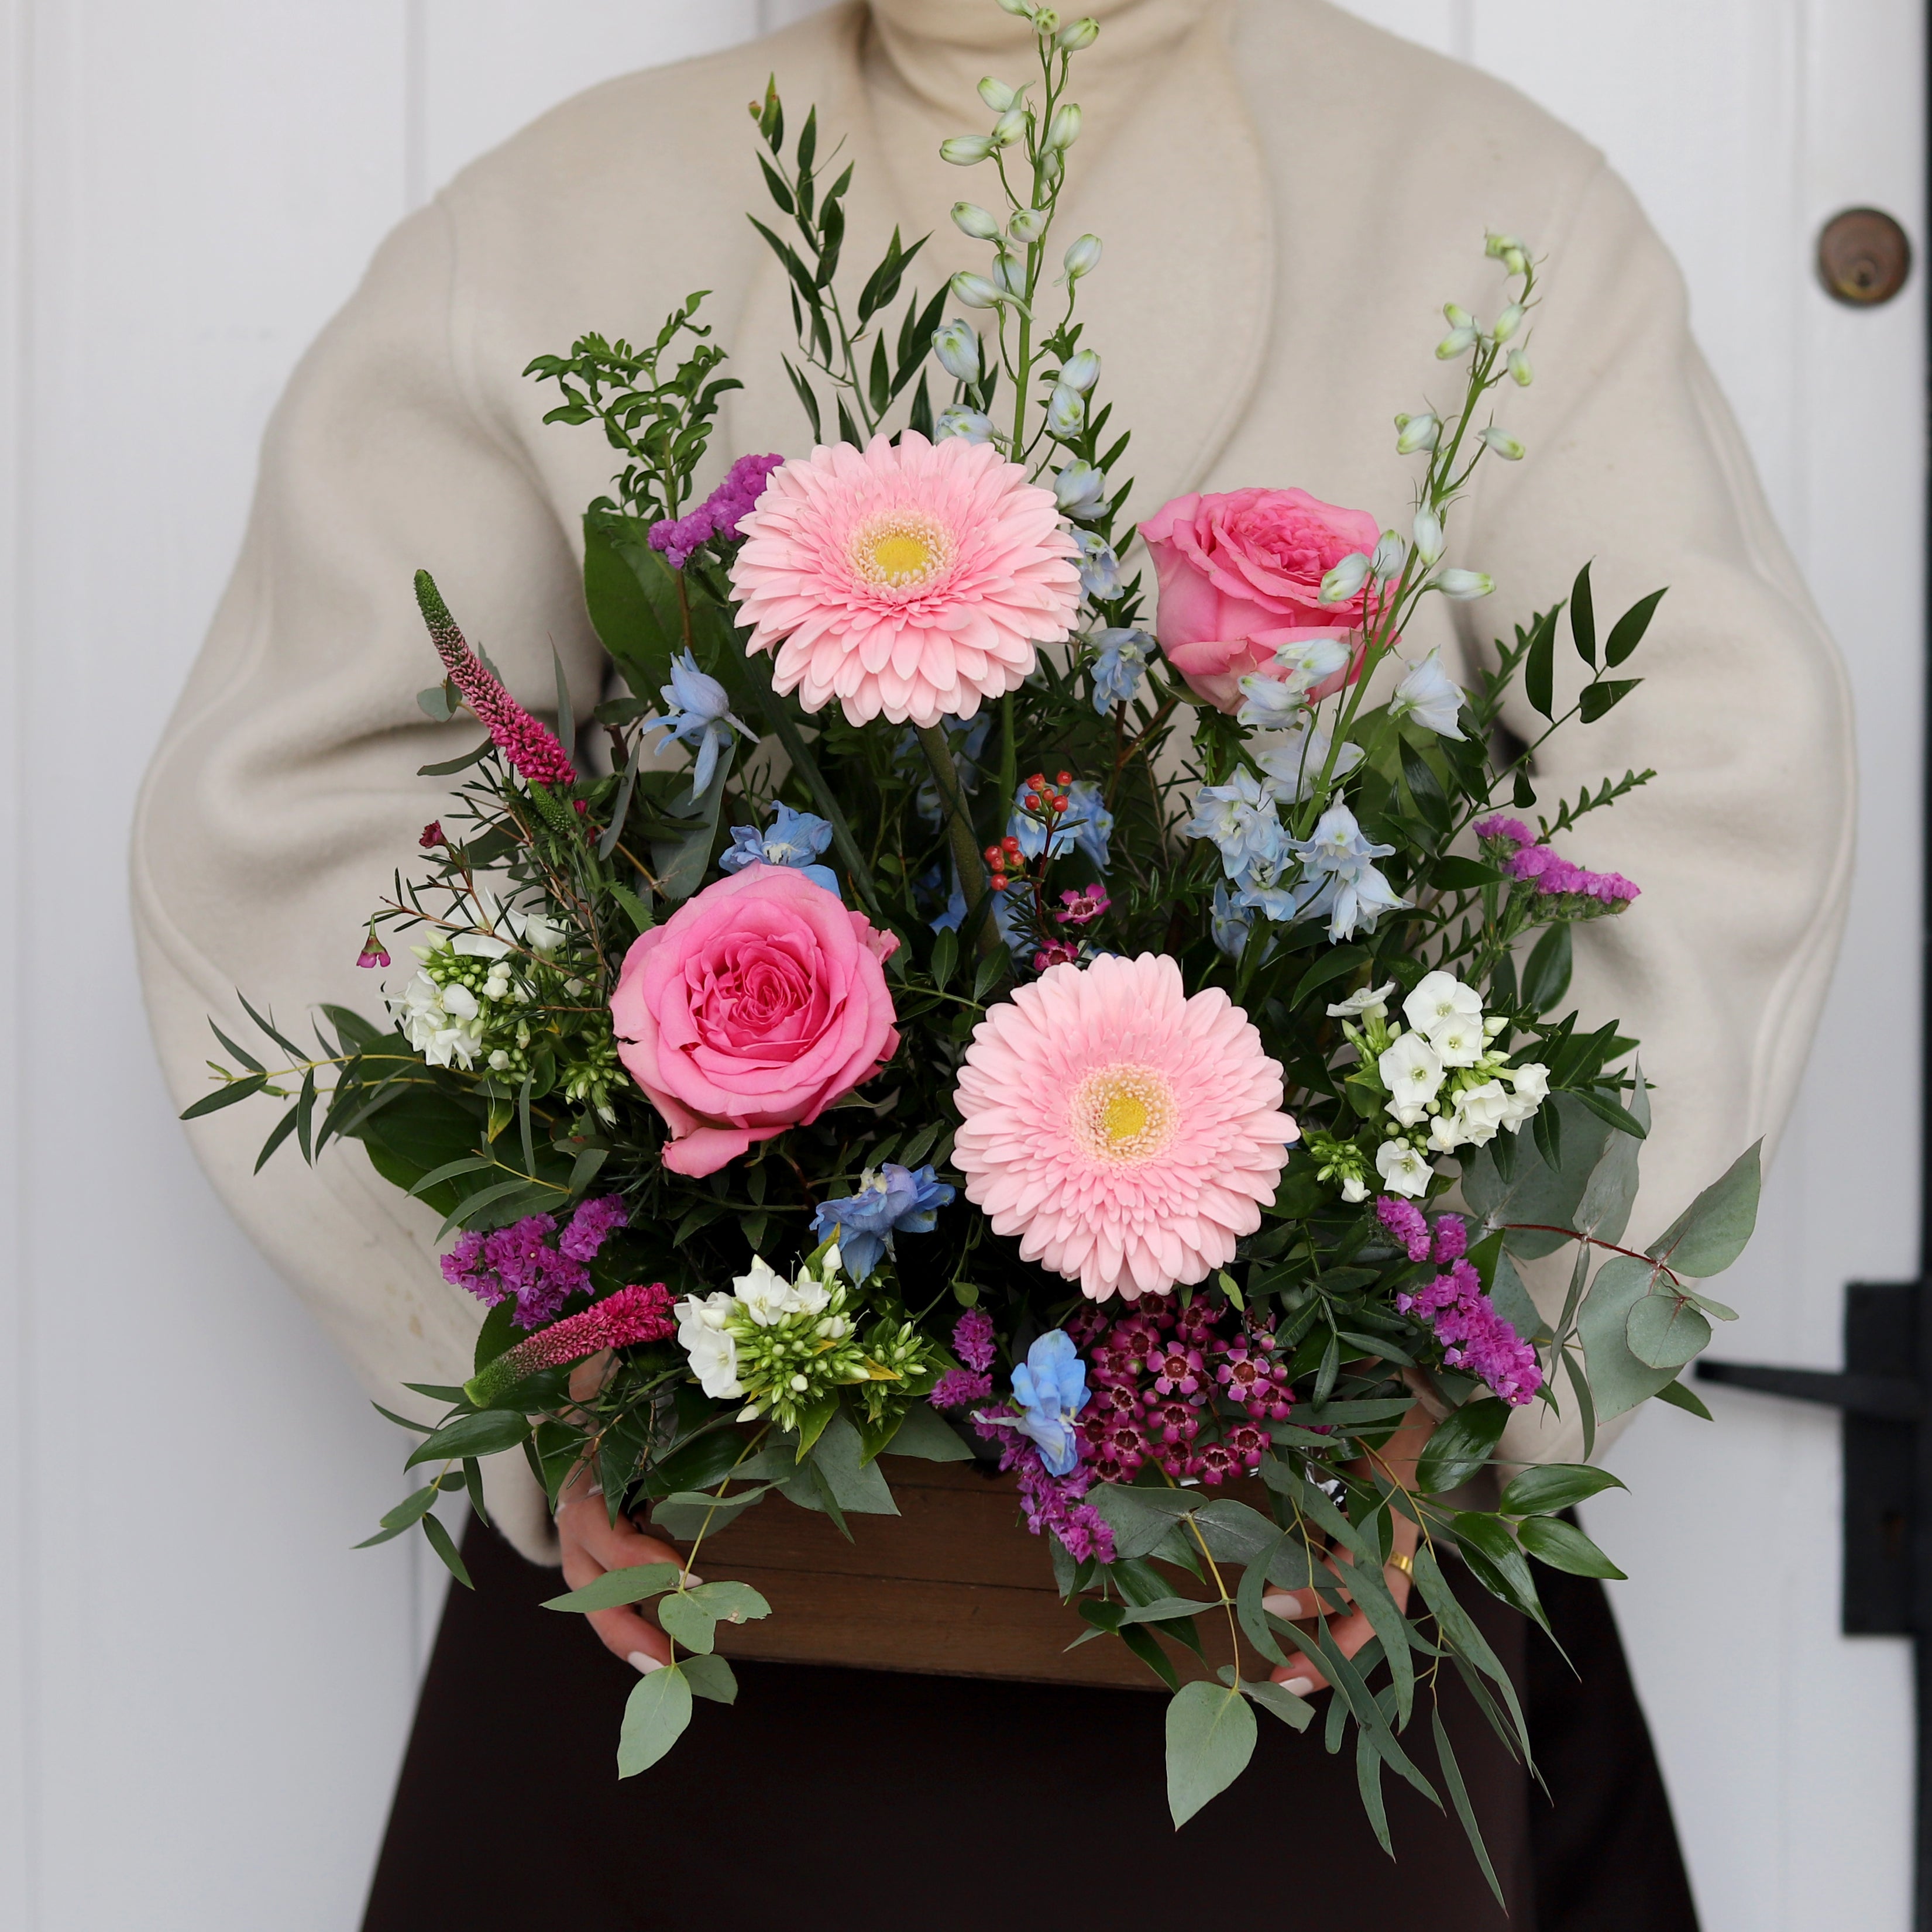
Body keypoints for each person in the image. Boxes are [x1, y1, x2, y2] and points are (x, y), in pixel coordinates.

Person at [133, 1, 1852, 1925]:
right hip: (699, 1625)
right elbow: (302, 811)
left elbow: (1712, 790)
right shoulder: (550, 223)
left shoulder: (1493, 209)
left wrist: (1474, 1356)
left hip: (1308, 1617)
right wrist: (550, 1375)